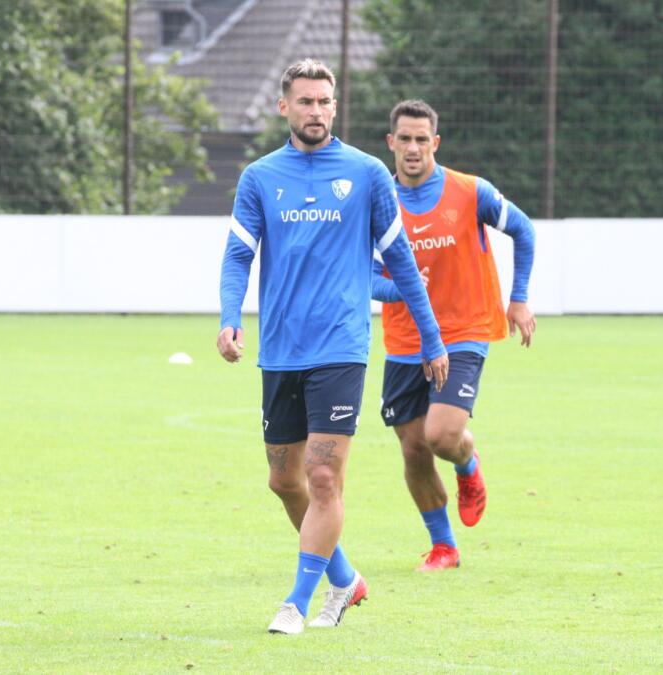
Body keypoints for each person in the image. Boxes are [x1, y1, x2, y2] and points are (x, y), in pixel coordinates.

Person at [217, 62, 449, 634]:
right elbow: (238, 254)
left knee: (323, 479)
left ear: (335, 107)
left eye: (324, 101)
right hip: (280, 351)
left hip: (341, 349)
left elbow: (401, 264)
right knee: (284, 479)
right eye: (305, 102)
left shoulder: (367, 174)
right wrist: (229, 318)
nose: (315, 111)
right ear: (284, 108)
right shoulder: (260, 177)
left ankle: (297, 602)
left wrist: (431, 338)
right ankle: (345, 579)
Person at [371, 99, 536, 571]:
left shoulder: (470, 192)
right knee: (413, 447)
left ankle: (467, 464)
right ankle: (443, 546)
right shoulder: (378, 202)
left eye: (422, 139)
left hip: (464, 331)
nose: (413, 147)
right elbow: (364, 274)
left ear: (435, 143)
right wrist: (400, 289)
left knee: (441, 435)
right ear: (391, 143)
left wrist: (518, 298)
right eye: (405, 138)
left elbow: (523, 230)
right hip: (406, 341)